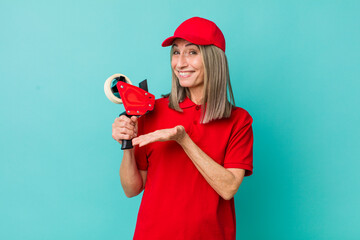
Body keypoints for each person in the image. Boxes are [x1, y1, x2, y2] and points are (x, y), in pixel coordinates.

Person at [112, 17, 253, 240]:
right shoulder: (152, 111)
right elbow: (131, 189)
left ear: (213, 59)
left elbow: (228, 188)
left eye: (192, 52)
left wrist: (183, 140)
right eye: (176, 52)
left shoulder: (238, 120)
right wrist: (127, 142)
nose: (180, 63)